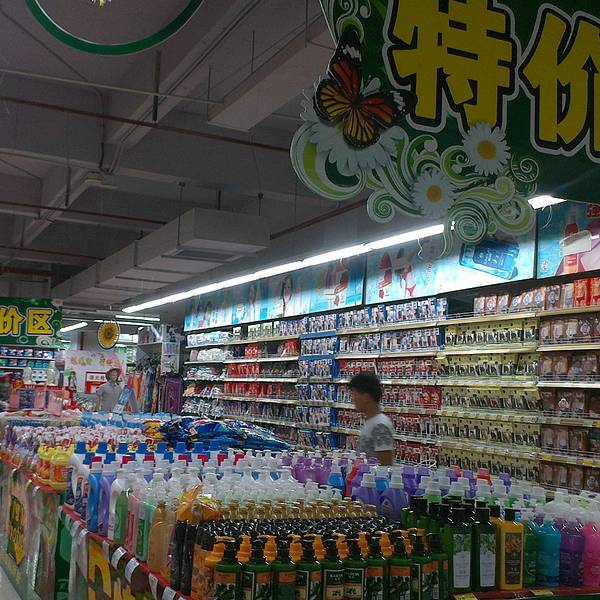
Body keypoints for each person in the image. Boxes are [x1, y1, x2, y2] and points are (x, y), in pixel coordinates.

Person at [349, 372, 395, 465]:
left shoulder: (380, 425)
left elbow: (385, 464)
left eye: (354, 394)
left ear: (366, 397)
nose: (352, 399)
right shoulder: (371, 421)